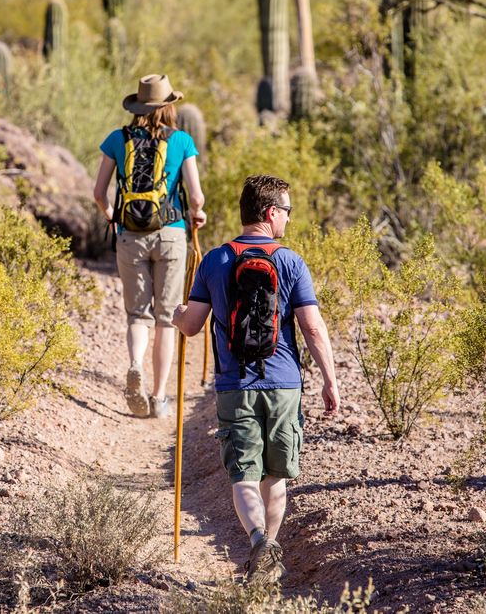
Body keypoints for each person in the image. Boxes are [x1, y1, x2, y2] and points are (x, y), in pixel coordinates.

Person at [172, 174, 339, 584]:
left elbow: (192, 326)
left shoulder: (214, 259)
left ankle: (259, 541)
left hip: (235, 385)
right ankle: (268, 561)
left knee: (243, 474)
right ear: (269, 213)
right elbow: (313, 328)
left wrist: (176, 314)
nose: (287, 219)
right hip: (284, 385)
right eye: (286, 211)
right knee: (274, 477)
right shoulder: (291, 261)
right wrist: (330, 380)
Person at [93, 74, 207, 419]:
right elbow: (197, 196)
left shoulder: (117, 139)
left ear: (138, 106)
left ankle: (134, 365)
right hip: (171, 234)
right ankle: (158, 398)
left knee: (136, 315)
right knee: (166, 318)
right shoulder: (182, 140)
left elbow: (99, 193)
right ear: (169, 107)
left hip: (129, 234)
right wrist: (197, 214)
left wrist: (114, 216)